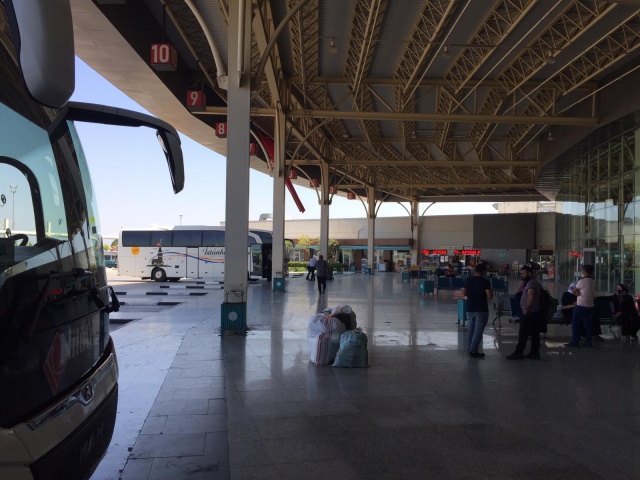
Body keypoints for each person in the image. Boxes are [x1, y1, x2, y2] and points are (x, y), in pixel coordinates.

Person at [506, 265, 542, 360]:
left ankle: (518, 353)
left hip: (529, 312)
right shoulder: (530, 282)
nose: (521, 275)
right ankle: (534, 353)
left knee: (523, 333)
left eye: (523, 273)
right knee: (534, 333)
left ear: (529, 273)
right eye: (521, 273)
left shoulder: (531, 283)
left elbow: (531, 297)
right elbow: (521, 292)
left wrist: (526, 308)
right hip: (533, 312)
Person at [461, 263, 494, 358]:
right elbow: (490, 296)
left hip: (470, 308)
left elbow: (463, 293)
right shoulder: (485, 282)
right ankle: (473, 350)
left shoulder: (467, 280)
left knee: (470, 330)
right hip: (481, 309)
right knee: (478, 331)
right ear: (484, 271)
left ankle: (470, 348)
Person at [565, 264, 596, 347]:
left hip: (581, 305)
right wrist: (577, 292)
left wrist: (574, 290)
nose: (581, 272)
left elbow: (574, 291)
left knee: (575, 323)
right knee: (588, 324)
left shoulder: (581, 282)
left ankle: (575, 341)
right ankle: (589, 342)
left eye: (582, 270)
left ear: (585, 272)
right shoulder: (593, 281)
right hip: (590, 306)